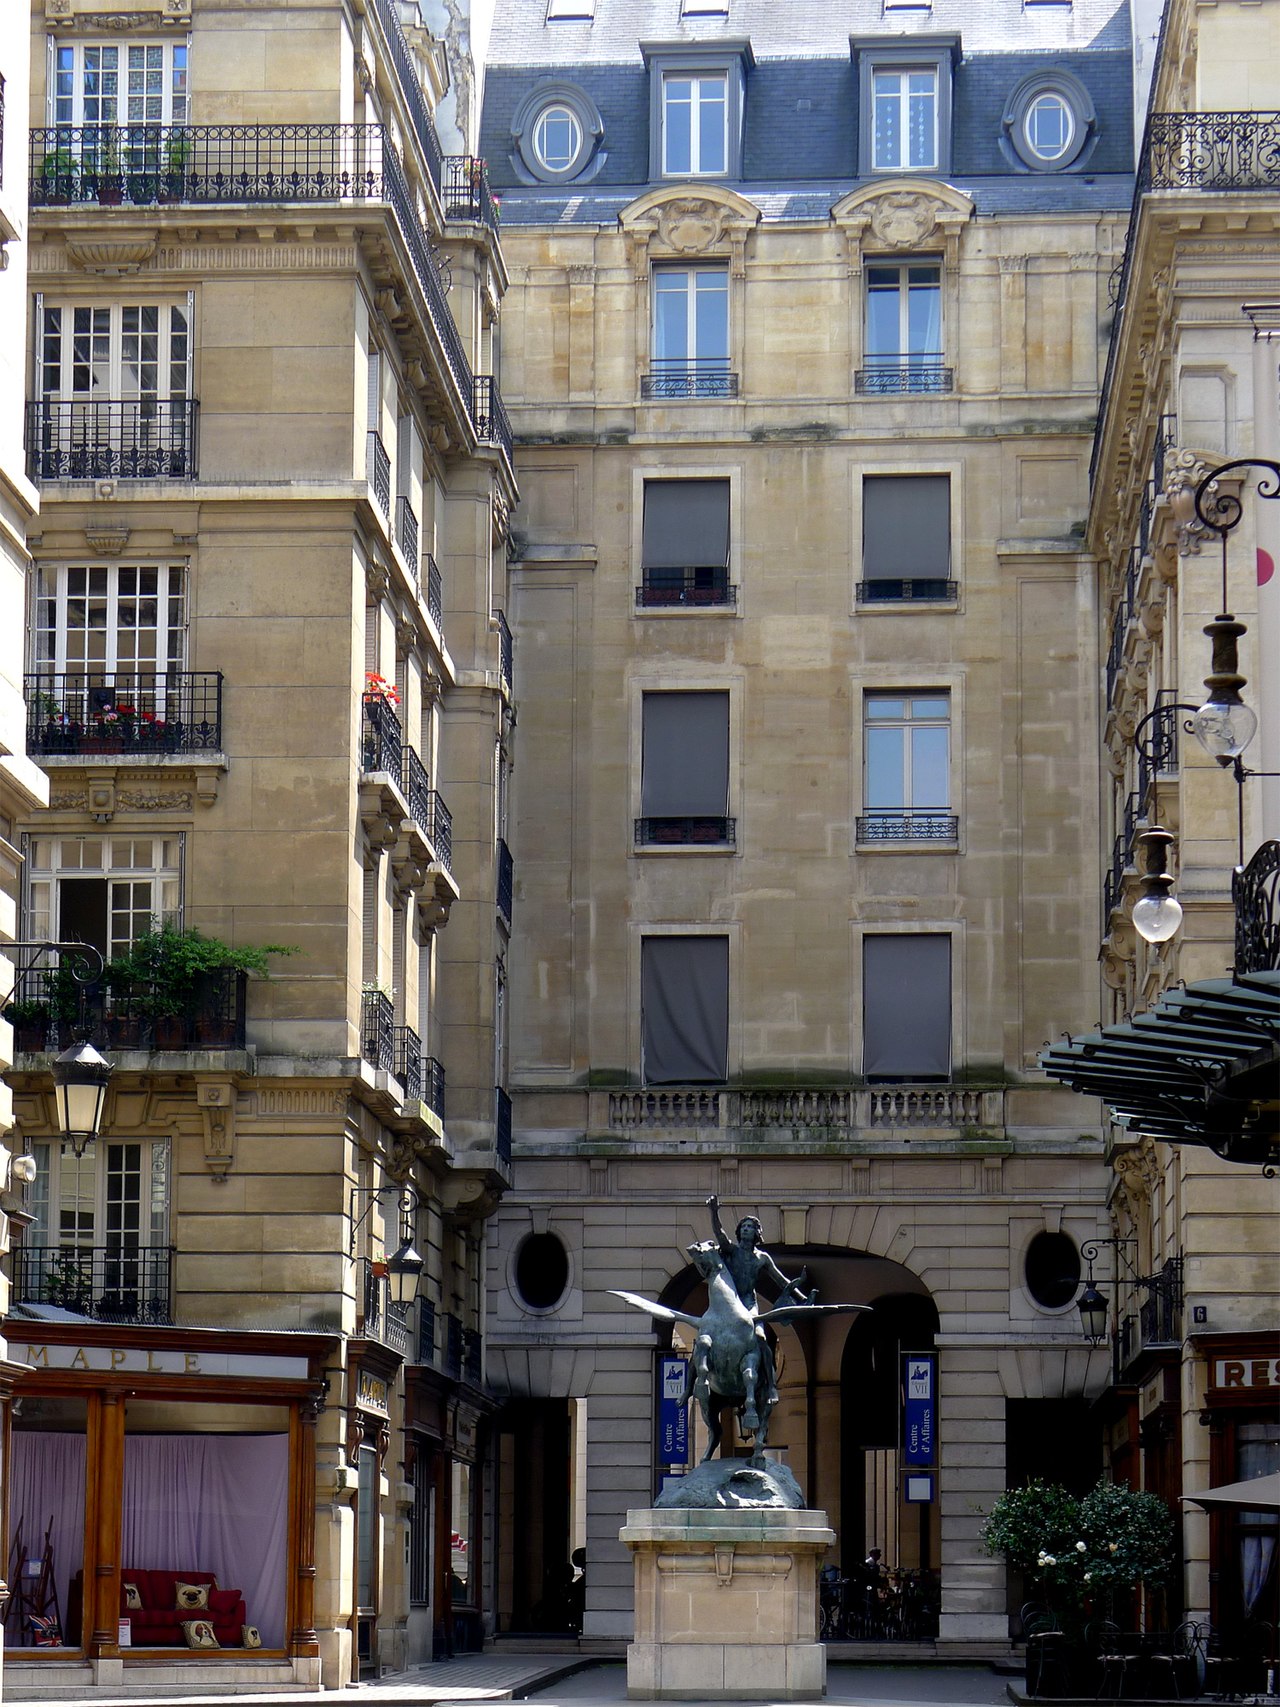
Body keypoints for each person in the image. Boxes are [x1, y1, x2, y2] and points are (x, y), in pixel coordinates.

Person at [706, 1196, 812, 1418]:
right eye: (743, 1227)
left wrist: (803, 1300)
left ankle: (771, 1386)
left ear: (757, 1233)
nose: (746, 1230)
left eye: (750, 1227)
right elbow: (719, 1236)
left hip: (749, 1304)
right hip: (729, 1302)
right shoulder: (732, 1251)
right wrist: (714, 1212)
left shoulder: (762, 1258)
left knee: (761, 1340)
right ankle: (697, 1380)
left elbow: (782, 1282)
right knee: (705, 1335)